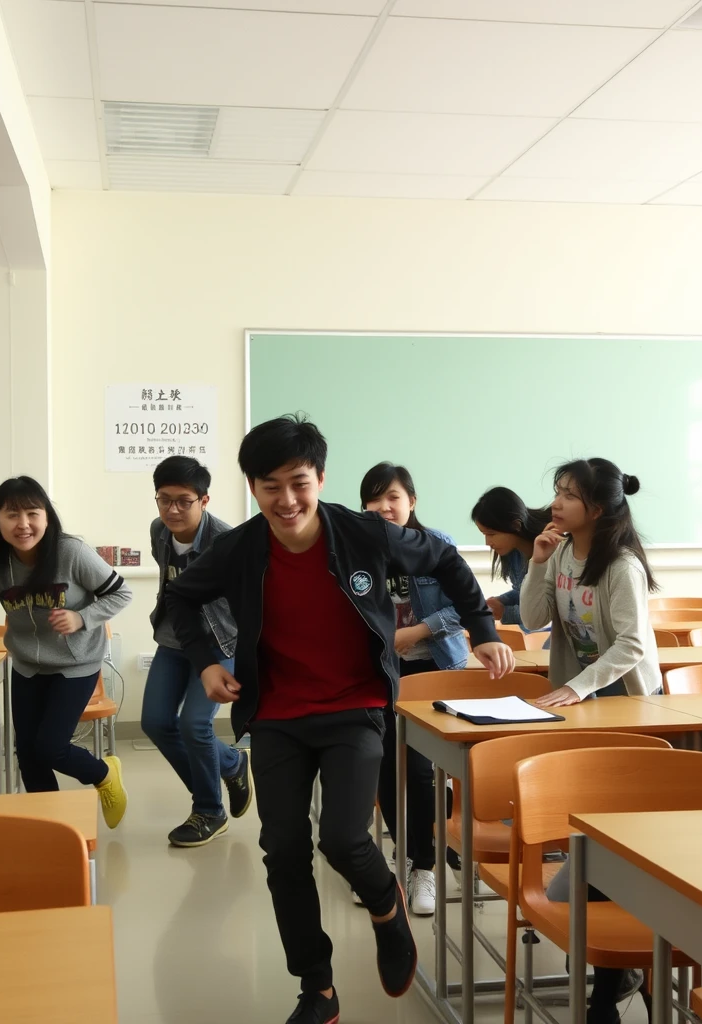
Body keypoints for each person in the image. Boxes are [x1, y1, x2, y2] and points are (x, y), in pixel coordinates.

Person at [165, 414, 515, 1024]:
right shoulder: (241, 548)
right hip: (276, 712)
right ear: (252, 488)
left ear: (320, 478)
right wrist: (204, 662)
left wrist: (482, 631)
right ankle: (317, 988)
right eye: (270, 485)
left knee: (345, 838)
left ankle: (387, 905)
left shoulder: (365, 534)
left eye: (298, 482)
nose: (287, 499)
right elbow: (178, 600)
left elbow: (450, 562)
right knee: (284, 850)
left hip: (356, 706)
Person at [521, 458, 660, 1024]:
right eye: (556, 491)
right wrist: (534, 565)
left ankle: (613, 982)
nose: (556, 502)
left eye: (568, 495)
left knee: (617, 840)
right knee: (594, 834)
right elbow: (532, 620)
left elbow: (630, 645)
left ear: (596, 510)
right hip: (580, 708)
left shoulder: (620, 564)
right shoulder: (557, 554)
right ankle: (617, 974)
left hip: (625, 708)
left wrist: (578, 688)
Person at [0, 476, 130, 828]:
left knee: (51, 747)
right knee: (29, 757)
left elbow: (121, 593)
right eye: (12, 515)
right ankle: (51, 827)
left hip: (76, 664)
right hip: (28, 666)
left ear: (47, 516)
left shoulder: (70, 552)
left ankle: (103, 773)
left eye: (33, 513)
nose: (24, 524)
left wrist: (82, 617)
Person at [359, 462, 468, 916]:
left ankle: (424, 865)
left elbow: (462, 607)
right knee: (384, 767)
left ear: (412, 502)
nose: (384, 507)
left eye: (394, 497)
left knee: (420, 772)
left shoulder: (437, 545)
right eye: (375, 498)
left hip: (431, 672)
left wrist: (416, 631)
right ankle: (401, 856)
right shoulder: (356, 549)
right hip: (380, 672)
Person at [141, 456, 251, 848]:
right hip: (173, 640)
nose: (172, 509)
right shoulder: (158, 532)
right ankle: (232, 763)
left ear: (204, 501)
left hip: (219, 644)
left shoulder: (227, 541)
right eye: (164, 499)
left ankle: (209, 810)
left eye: (183, 501)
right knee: (155, 722)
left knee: (194, 725)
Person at [471, 486, 551, 630]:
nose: (488, 543)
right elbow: (524, 592)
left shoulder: (551, 550)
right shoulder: (513, 553)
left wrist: (505, 612)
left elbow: (547, 609)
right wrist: (500, 601)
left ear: (515, 525)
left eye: (491, 534)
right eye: (484, 534)